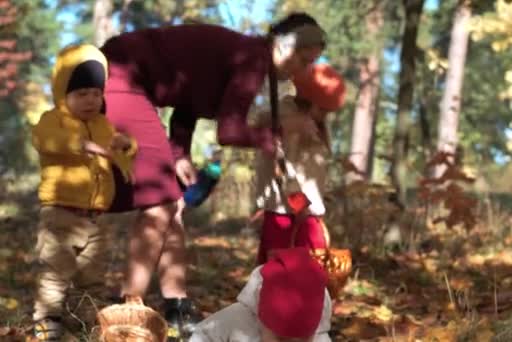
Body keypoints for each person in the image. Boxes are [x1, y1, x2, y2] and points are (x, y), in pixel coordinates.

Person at [99, 12, 327, 337]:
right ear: (283, 44)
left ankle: (176, 305)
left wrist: (179, 155)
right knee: (160, 205)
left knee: (173, 205)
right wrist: (269, 138)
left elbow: (186, 100)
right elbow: (229, 131)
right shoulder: (252, 59)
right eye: (303, 59)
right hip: (122, 75)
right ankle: (128, 306)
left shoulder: (248, 55)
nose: (301, 70)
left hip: (130, 77)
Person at [30, 44, 136, 341]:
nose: (90, 100)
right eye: (81, 94)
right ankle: (47, 322)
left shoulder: (103, 124)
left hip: (96, 217)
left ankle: (87, 320)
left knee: (94, 275)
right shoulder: (53, 120)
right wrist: (81, 143)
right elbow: (46, 140)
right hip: (61, 213)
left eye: (95, 93)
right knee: (55, 272)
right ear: (64, 93)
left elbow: (118, 150)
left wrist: (126, 146)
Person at [254, 63, 346, 264]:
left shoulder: (311, 123)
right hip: (289, 212)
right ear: (310, 101)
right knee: (283, 274)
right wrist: (299, 203)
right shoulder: (290, 121)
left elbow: (312, 170)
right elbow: (282, 166)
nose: (326, 115)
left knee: (308, 272)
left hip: (304, 211)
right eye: (324, 110)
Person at [189, 247, 332, 342]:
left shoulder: (320, 336)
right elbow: (203, 335)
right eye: (281, 340)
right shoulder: (239, 319)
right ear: (262, 317)